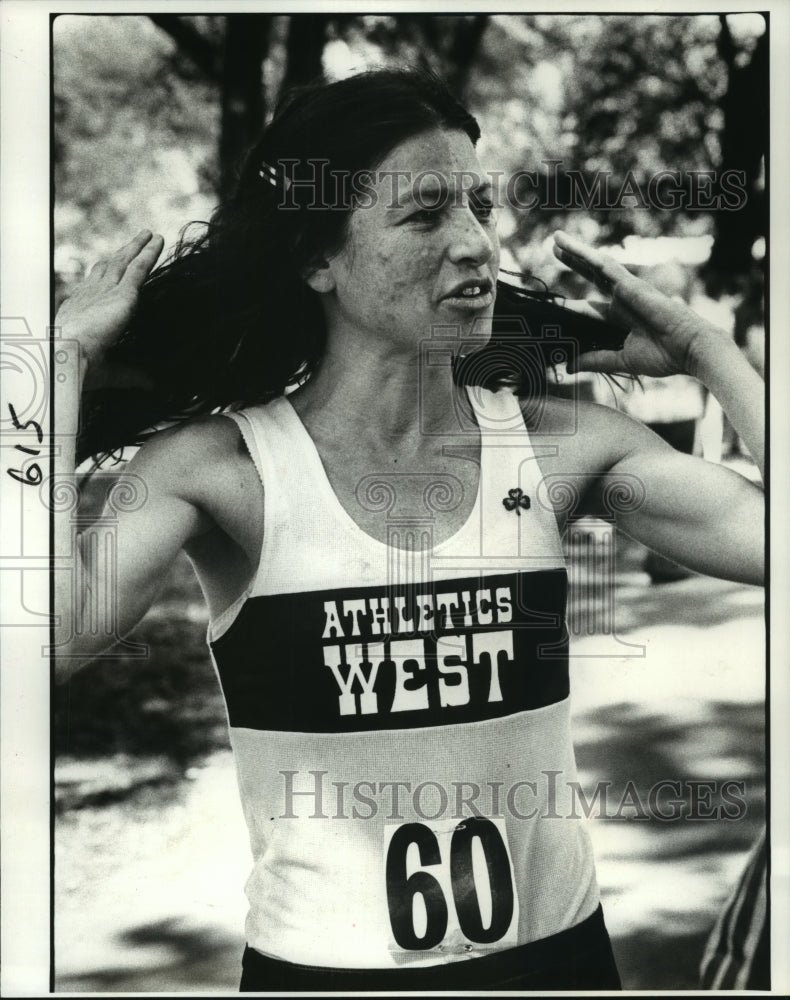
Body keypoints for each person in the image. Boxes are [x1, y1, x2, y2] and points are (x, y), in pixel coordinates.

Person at [54, 69, 764, 991]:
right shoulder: (224, 470)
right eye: (425, 214)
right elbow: (45, 636)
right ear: (318, 257)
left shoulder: (555, 447)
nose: (474, 244)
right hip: (323, 974)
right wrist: (56, 365)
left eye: (478, 206)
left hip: (559, 966)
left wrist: (712, 356)